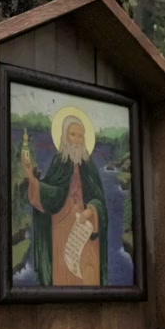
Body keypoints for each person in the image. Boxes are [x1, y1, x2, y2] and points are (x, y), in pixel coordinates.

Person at [22, 115, 108, 285]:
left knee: (87, 274)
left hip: (85, 228)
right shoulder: (58, 162)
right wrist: (32, 180)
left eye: (80, 135)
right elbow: (52, 192)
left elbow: (99, 200)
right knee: (63, 274)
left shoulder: (89, 165)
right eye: (72, 134)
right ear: (64, 136)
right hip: (61, 226)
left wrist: (91, 210)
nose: (77, 140)